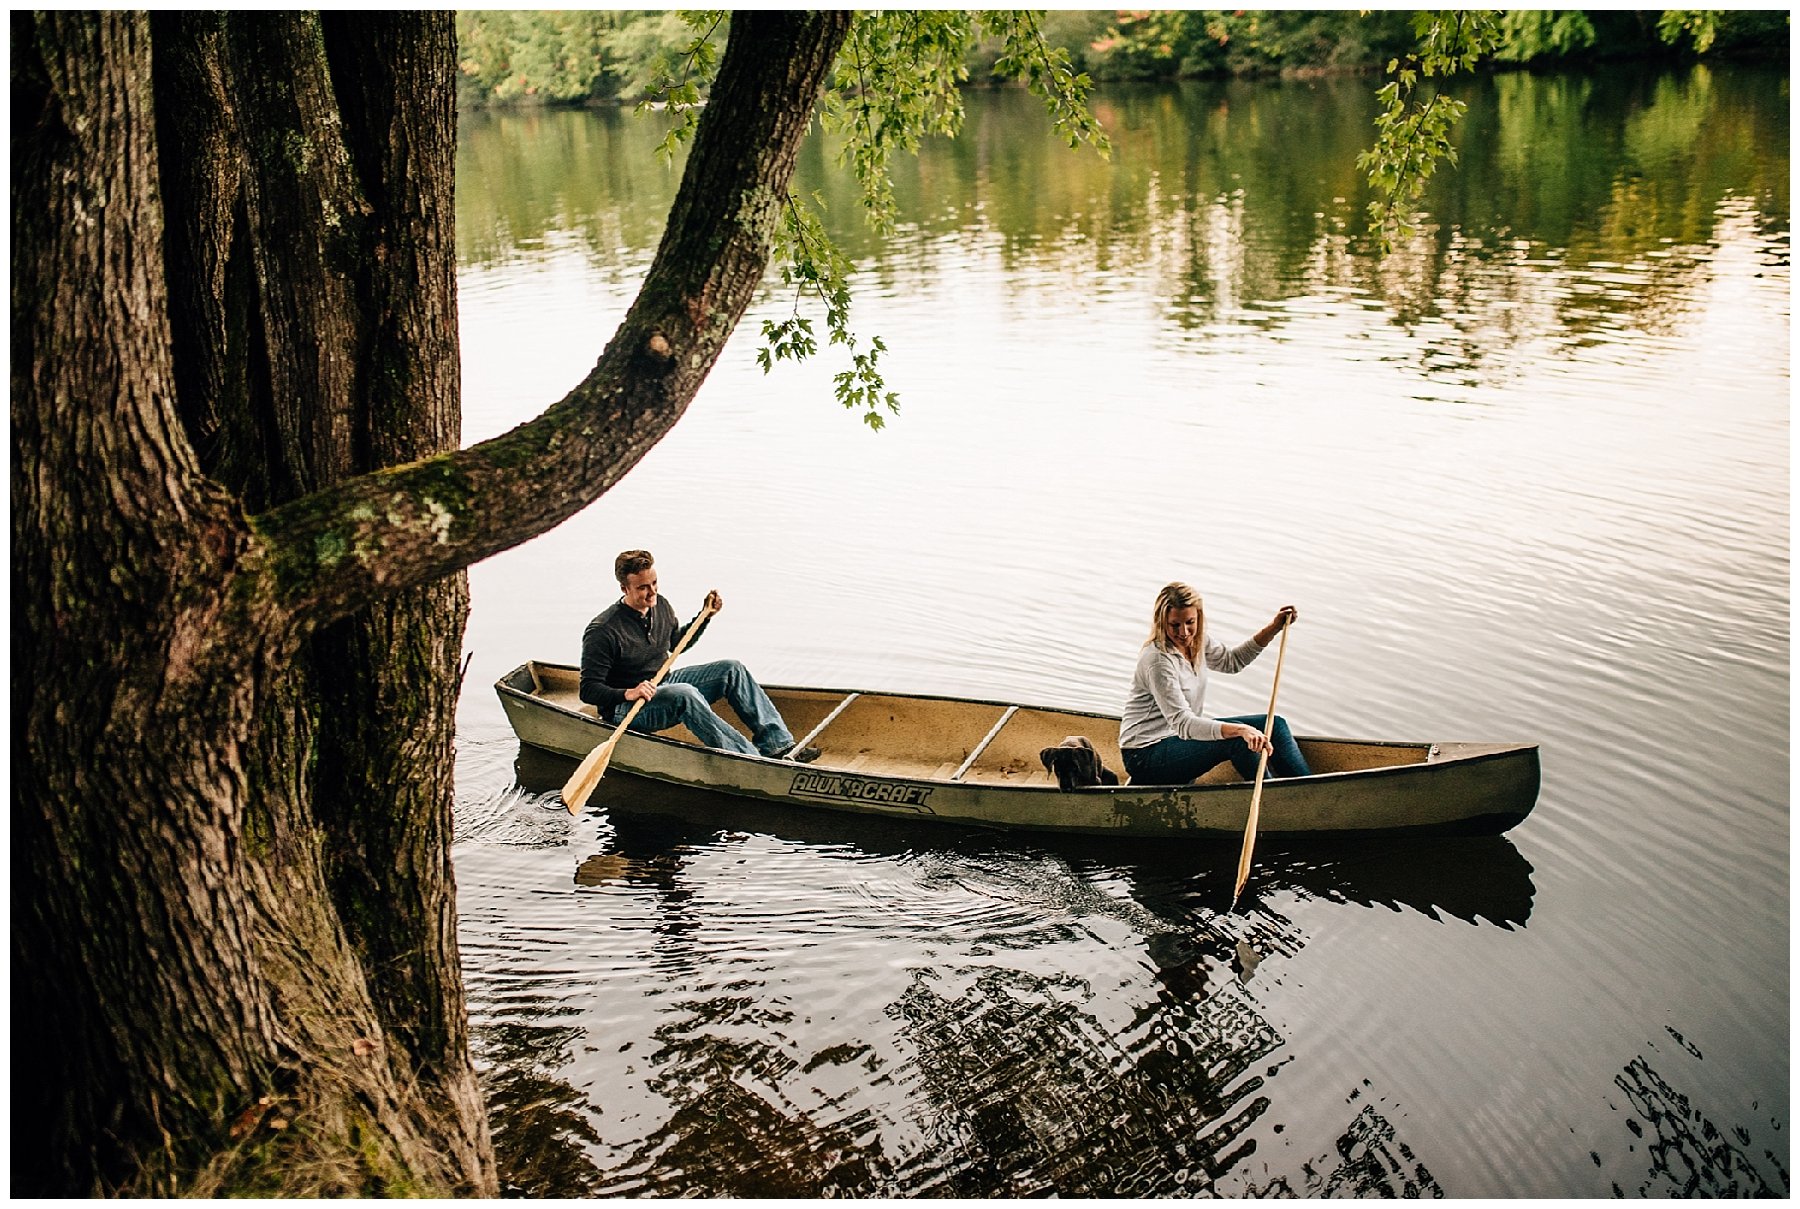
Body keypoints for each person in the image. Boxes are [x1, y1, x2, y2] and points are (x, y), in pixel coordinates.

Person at [580, 550, 820, 762]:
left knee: (731, 669)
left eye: (654, 583)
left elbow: (676, 644)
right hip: (626, 708)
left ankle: (778, 746)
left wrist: (704, 616)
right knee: (685, 694)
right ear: (624, 588)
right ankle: (750, 759)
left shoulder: (660, 605)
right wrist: (629, 693)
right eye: (642, 587)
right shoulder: (603, 630)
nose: (652, 592)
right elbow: (588, 690)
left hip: (662, 683)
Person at [1118, 582, 1312, 786]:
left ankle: (1310, 789)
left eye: (1190, 622)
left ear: (1198, 618)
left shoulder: (1198, 641)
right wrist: (1242, 731)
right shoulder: (1158, 661)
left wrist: (1274, 628)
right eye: (1174, 625)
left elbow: (1232, 662)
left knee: (1275, 725)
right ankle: (1275, 800)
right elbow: (1184, 723)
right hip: (1145, 755)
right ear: (1161, 622)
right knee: (1239, 741)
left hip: (1179, 739)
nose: (1184, 632)